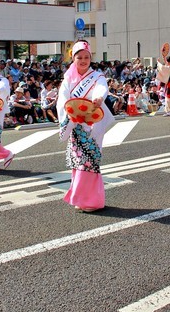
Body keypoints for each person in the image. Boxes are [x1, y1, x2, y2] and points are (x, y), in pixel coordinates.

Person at [57, 40, 114, 212]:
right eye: (79, 57)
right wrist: (69, 116)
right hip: (75, 123)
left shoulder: (97, 76)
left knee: (89, 161)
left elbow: (101, 88)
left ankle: (92, 201)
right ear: (73, 59)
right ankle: (81, 198)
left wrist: (98, 98)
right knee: (78, 161)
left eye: (86, 57)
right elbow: (63, 99)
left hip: (92, 124)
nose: (83, 60)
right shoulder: (68, 79)